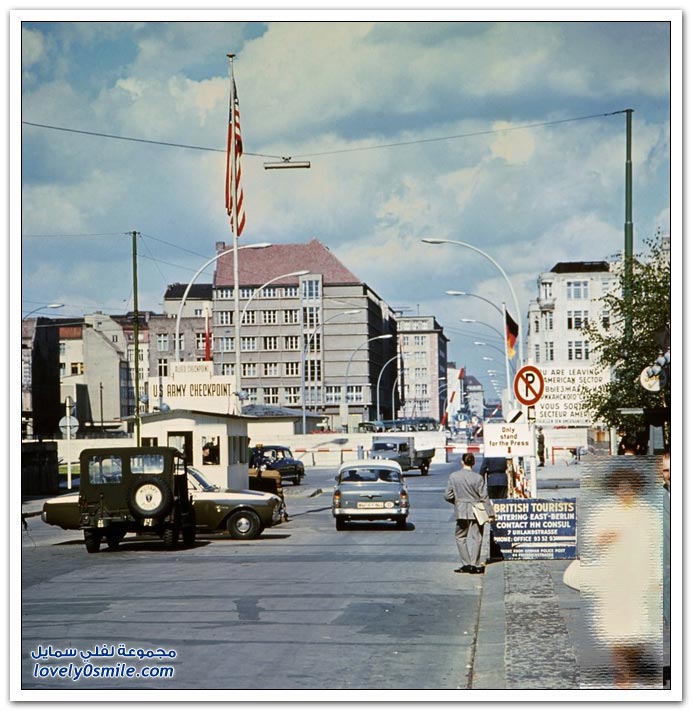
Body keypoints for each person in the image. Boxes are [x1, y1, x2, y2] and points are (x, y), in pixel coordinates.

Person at [582, 468, 662, 689]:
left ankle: (632, 667)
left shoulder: (648, 513)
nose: (625, 491)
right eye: (621, 487)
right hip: (614, 580)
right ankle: (623, 675)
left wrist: (657, 577)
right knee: (616, 631)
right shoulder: (604, 511)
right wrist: (604, 538)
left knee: (638, 631)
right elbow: (591, 540)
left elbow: (656, 546)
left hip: (640, 578)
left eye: (630, 487)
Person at [444, 453, 495, 575]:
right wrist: (490, 513)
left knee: (460, 536)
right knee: (477, 537)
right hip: (476, 509)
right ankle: (475, 564)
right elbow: (484, 497)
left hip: (461, 509)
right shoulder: (478, 478)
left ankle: (466, 563)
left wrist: (457, 502)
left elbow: (447, 495)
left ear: (462, 462)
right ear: (473, 463)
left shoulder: (454, 476)